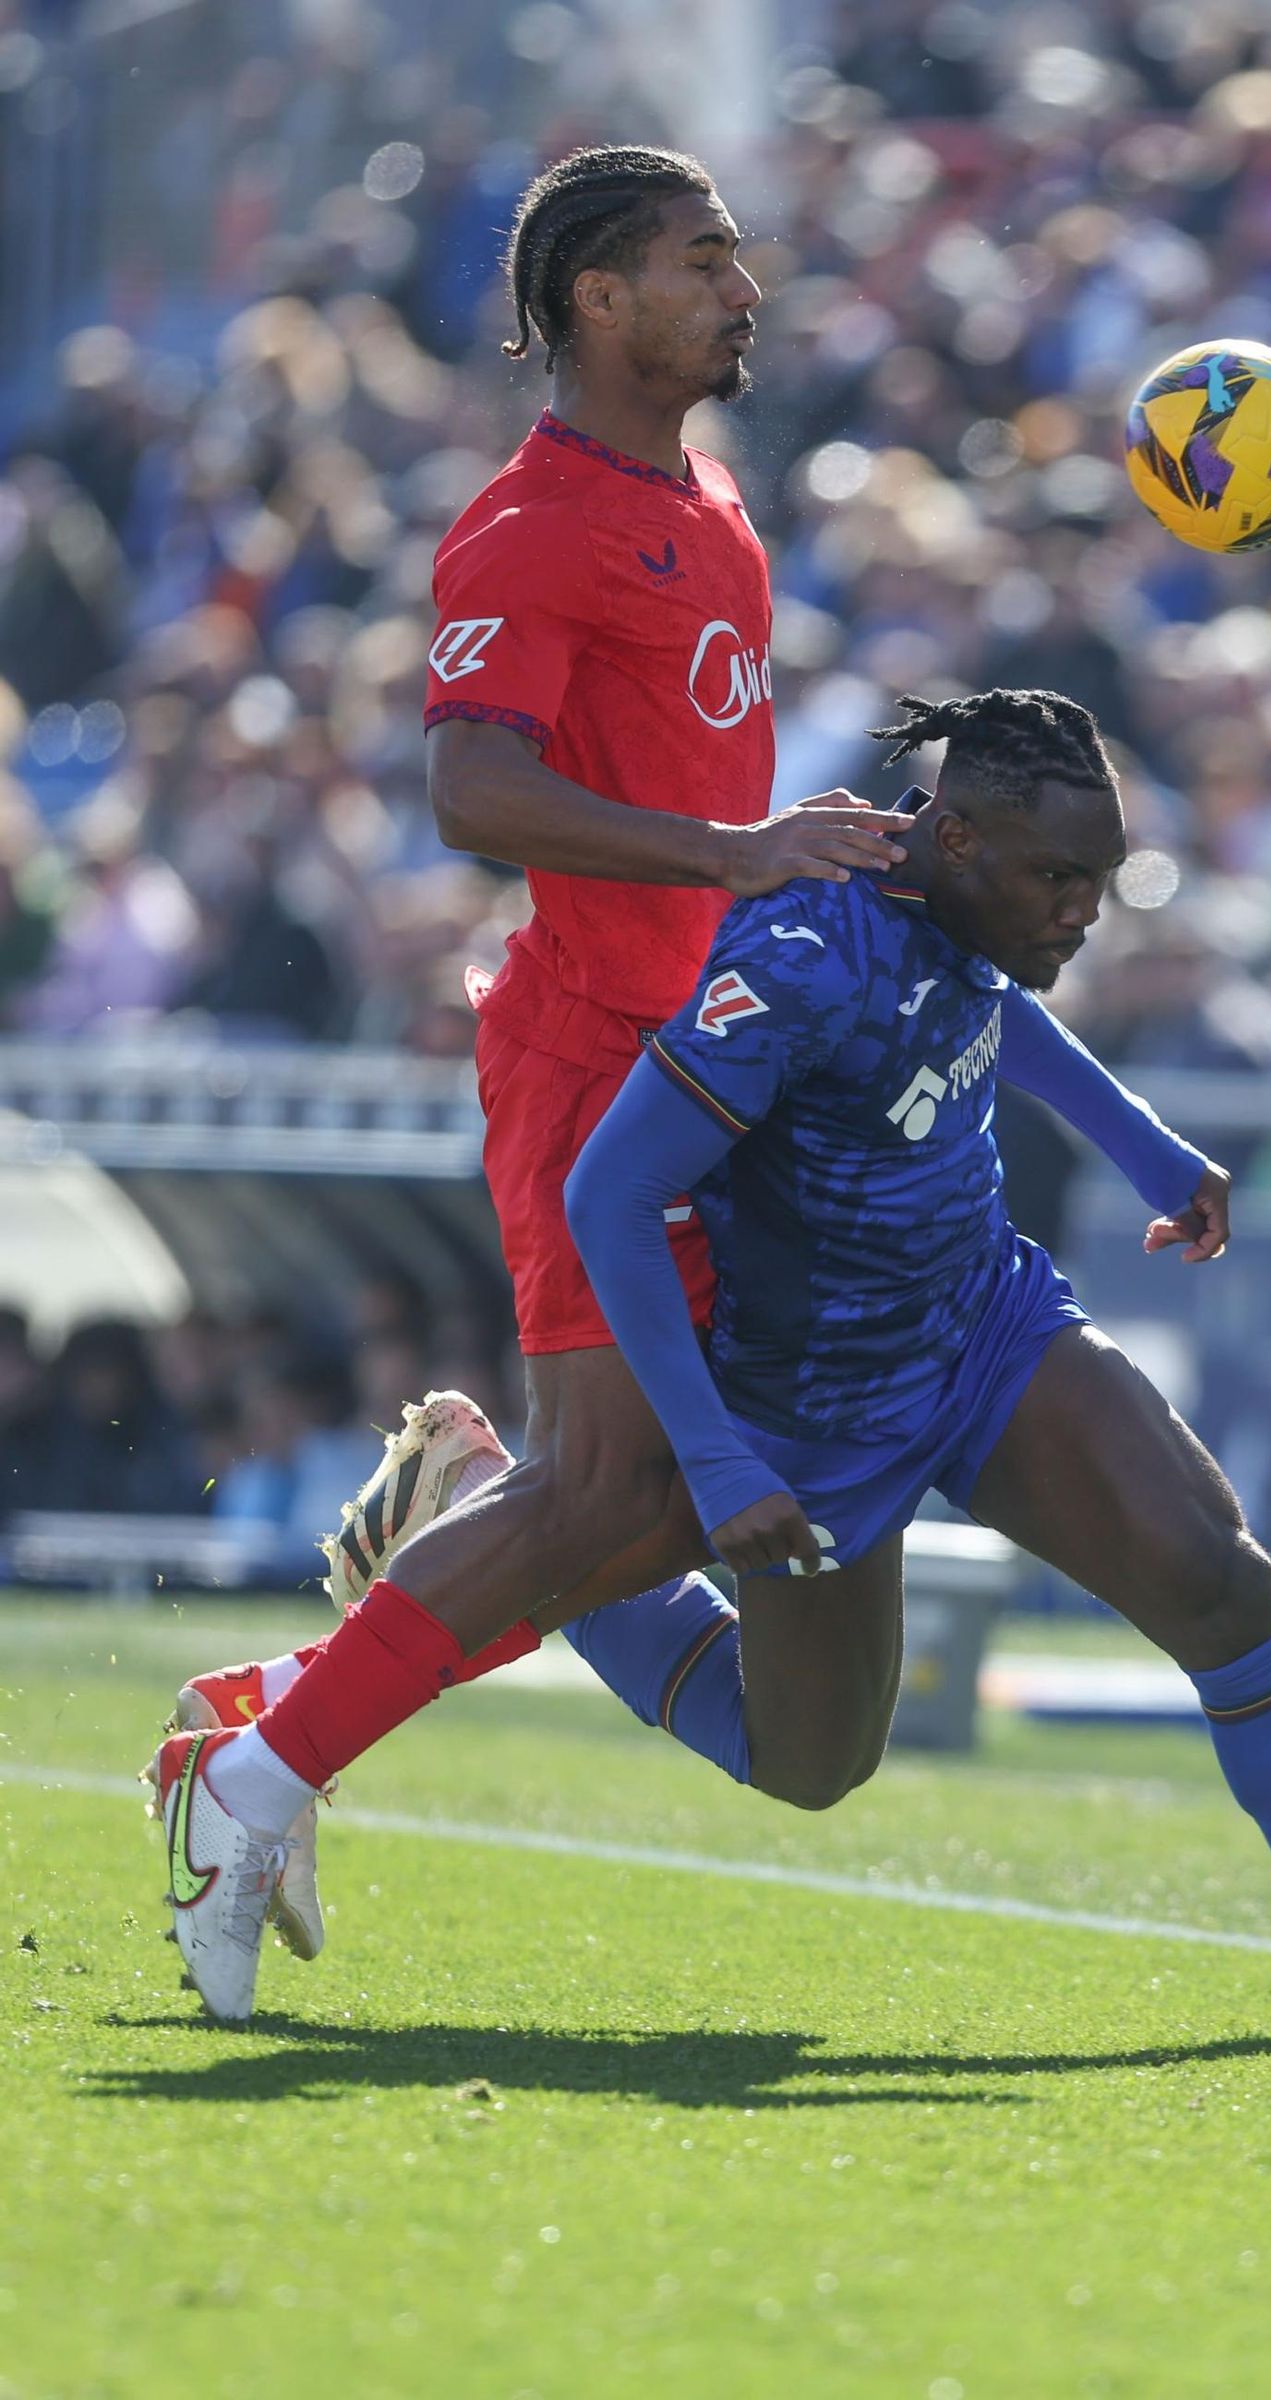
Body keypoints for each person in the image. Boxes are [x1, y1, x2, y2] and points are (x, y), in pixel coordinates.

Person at [147, 689, 1271, 2045]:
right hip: (811, 1403)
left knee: (1219, 1580)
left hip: (983, 1328)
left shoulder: (967, 900)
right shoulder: (800, 952)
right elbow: (614, 1195)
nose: (1084, 912)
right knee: (810, 1765)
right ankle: (485, 1525)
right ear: (960, 841)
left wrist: (1146, 1144)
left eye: (1100, 880)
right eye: (1058, 878)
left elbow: (983, 1004)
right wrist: (722, 1455)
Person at [154, 139, 912, 1928]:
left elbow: (684, 777)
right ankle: (257, 1767)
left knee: (659, 1503)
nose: (746, 286)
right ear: (598, 296)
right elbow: (471, 789)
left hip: (722, 1064)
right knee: (617, 1502)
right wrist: (738, 854)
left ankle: (311, 1677)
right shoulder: (531, 523)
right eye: (705, 258)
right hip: (595, 1071)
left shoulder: (714, 500)